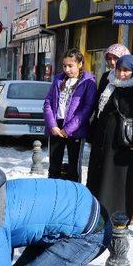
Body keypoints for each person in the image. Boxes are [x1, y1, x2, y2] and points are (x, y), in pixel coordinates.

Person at [86, 55, 133, 221]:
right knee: (101, 179)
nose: (121, 73)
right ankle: (99, 214)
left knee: (122, 184)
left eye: (126, 70)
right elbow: (99, 110)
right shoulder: (109, 83)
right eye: (118, 69)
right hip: (105, 143)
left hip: (127, 145)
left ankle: (119, 219)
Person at [43, 48, 97, 182]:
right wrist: (52, 125)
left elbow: (87, 108)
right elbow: (48, 102)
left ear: (80, 64)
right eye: (64, 65)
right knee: (54, 166)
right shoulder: (58, 79)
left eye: (70, 66)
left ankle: (75, 196)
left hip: (75, 129)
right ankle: (53, 194)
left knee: (73, 167)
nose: (67, 69)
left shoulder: (88, 82)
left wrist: (68, 129)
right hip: (56, 127)